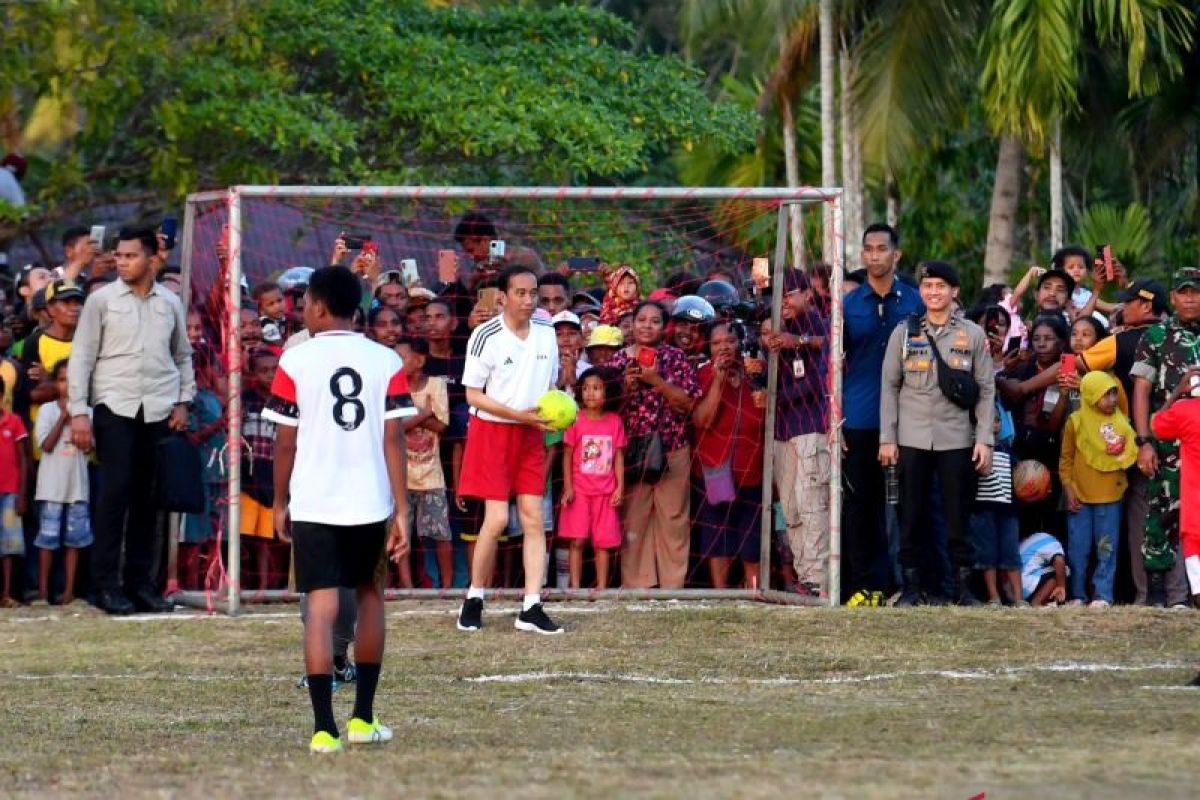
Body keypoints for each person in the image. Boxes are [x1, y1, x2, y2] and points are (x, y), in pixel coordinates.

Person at [264, 265, 415, 753]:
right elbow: (394, 436)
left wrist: (279, 499)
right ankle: (363, 719)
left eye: (305, 302)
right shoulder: (385, 360)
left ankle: (324, 730)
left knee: (322, 609)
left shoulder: (296, 361)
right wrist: (401, 508)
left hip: (313, 499)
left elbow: (284, 441)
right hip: (370, 500)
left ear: (321, 307)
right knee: (369, 598)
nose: (303, 310)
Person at [68, 227, 194, 615]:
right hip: (113, 405)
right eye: (119, 256)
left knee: (148, 500)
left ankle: (141, 585)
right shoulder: (101, 301)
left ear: (151, 257)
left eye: (130, 256)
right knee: (114, 495)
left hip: (157, 409)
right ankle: (105, 585)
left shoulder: (170, 302)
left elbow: (182, 355)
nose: (122, 262)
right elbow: (82, 356)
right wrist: (78, 411)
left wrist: (183, 400)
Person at [455, 265, 563, 635]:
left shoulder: (547, 333)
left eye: (533, 292)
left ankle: (531, 606)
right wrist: (517, 414)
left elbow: (551, 386)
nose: (529, 299)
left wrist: (557, 410)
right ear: (502, 296)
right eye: (521, 293)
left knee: (534, 517)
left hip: (532, 432)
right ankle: (474, 597)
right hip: (491, 431)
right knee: (497, 519)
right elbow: (471, 394)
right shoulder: (485, 335)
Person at [880, 261, 995, 606]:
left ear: (954, 292)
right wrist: (887, 437)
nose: (933, 292)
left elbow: (987, 389)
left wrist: (984, 440)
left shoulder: (972, 334)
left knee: (958, 517)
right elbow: (889, 386)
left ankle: (961, 589)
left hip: (956, 437)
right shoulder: (905, 332)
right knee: (911, 516)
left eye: (941, 286)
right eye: (928, 286)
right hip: (911, 438)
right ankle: (913, 589)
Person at [842, 223, 924, 598]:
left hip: (908, 419)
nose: (874, 255)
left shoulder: (914, 301)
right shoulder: (846, 304)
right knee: (862, 505)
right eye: (868, 249)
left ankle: (907, 584)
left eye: (881, 249)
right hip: (858, 418)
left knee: (907, 504)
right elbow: (833, 362)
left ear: (896, 255)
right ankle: (864, 586)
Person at [1079, 277, 1168, 603]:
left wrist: (1025, 386)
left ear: (1145, 306)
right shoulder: (1181, 336)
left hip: (1136, 442)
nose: (1121, 308)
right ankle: (1180, 595)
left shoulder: (1123, 340)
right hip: (1180, 440)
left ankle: (1143, 595)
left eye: (1127, 302)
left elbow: (1079, 363)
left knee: (1139, 519)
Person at [608, 301, 701, 589]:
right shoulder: (616, 362)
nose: (647, 326)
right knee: (634, 521)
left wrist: (655, 380)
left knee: (674, 520)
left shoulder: (676, 358)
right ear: (631, 324)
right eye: (641, 320)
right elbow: (603, 411)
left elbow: (688, 404)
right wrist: (627, 388)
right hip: (631, 452)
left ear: (664, 327)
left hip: (672, 448)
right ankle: (639, 587)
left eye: (655, 321)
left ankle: (673, 587)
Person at [1132, 268, 1200, 607]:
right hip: (1167, 443)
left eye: (1196, 292)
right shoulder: (1156, 336)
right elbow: (1142, 390)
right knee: (1161, 514)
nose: (1190, 298)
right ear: (1172, 297)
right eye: (1183, 292)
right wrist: (1143, 441)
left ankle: (1190, 594)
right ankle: (1157, 595)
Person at [761, 268, 830, 597]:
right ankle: (806, 577)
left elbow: (818, 382)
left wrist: (796, 342)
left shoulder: (817, 324)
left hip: (809, 428)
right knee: (789, 508)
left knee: (811, 503)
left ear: (807, 294)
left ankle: (821, 578)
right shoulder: (776, 327)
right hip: (781, 430)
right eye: (778, 295)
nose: (783, 301)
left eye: (788, 294)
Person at [693, 320, 766, 589]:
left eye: (730, 341)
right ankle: (720, 595)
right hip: (715, 470)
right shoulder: (701, 374)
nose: (724, 347)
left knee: (752, 541)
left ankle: (754, 590)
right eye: (717, 343)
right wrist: (717, 380)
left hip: (753, 469)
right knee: (717, 539)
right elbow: (703, 420)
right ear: (708, 347)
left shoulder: (756, 371)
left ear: (740, 343)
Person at [1060, 371, 1137, 608]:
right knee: (1078, 549)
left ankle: (1103, 595)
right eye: (1106, 394)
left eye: (1114, 393)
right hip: (1080, 497)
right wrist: (1069, 489)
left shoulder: (1121, 420)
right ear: (1091, 395)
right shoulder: (1075, 421)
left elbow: (1123, 393)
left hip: (1110, 496)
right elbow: (1066, 460)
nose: (1112, 399)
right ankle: (1077, 595)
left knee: (1106, 548)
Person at [559, 367, 625, 589]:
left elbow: (617, 457)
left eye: (596, 388)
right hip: (579, 491)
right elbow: (567, 455)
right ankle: (575, 587)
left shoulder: (615, 421)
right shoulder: (574, 420)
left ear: (607, 392)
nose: (590, 393)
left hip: (605, 493)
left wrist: (619, 488)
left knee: (602, 543)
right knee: (576, 540)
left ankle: (602, 588)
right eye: (586, 388)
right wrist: (568, 487)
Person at [32, 359, 91, 605]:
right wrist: (63, 418)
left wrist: (76, 417)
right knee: (47, 539)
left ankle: (68, 592)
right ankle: (44, 591)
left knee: (74, 541)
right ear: (56, 383)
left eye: (72, 380)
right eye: (63, 380)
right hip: (51, 486)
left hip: (77, 486)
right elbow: (45, 445)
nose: (67, 385)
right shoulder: (47, 410)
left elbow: (89, 448)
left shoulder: (87, 412)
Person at [395, 338, 452, 589]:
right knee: (401, 532)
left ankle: (448, 586)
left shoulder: (437, 385)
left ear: (419, 360)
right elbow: (392, 430)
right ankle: (407, 586)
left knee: (441, 534)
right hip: (400, 478)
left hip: (431, 476)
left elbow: (442, 426)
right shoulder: (393, 388)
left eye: (401, 358)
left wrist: (414, 416)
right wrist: (425, 413)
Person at [1150, 367, 1200, 606]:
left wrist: (1176, 393)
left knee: (1192, 542)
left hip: (1195, 502)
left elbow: (1156, 425)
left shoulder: (1185, 411)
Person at [241, 348, 285, 591]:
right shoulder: (246, 400)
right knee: (246, 534)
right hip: (249, 473)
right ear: (252, 373)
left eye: (274, 370)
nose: (270, 375)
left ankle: (265, 585)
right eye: (263, 370)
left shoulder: (282, 403)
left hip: (272, 472)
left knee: (267, 537)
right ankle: (245, 583)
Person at [970, 402, 1021, 605]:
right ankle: (994, 596)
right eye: (990, 420)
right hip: (983, 510)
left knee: (1011, 554)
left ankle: (1019, 598)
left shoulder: (1008, 452)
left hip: (1008, 511)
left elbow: (1020, 478)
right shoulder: (975, 452)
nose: (995, 425)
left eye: (998, 420)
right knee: (987, 554)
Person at [0, 374, 29, 608]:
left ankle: (7, 593)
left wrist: (22, 494)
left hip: (10, 493)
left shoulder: (14, 421)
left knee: (9, 546)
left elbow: (23, 458)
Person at [1019, 531, 1068, 606]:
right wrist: (1061, 586)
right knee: (1064, 570)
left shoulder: (1033, 539)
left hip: (1015, 589)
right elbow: (1059, 560)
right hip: (1026, 585)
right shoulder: (1052, 541)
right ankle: (1037, 602)